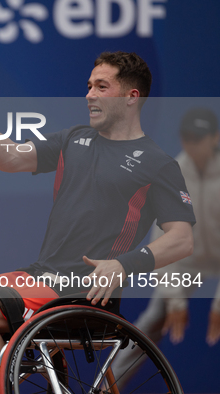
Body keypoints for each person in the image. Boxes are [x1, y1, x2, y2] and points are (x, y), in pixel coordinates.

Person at [0, 51, 196, 394]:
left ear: (132, 97)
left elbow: (181, 239)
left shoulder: (158, 164)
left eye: (102, 86)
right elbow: (11, 158)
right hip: (41, 276)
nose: (89, 94)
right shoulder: (73, 139)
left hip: (85, 289)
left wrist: (123, 265)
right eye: (88, 86)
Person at [110, 107, 220, 388]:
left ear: (215, 138)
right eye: (188, 137)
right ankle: (107, 387)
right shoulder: (172, 172)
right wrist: (175, 298)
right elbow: (165, 242)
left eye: (200, 137)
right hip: (186, 263)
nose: (193, 144)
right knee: (153, 318)